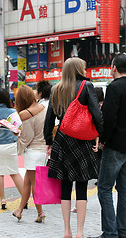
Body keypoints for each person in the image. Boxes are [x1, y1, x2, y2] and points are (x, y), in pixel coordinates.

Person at [44, 57, 103, 238]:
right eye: (84, 67)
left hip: (62, 139)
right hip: (82, 139)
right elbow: (96, 114)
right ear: (79, 69)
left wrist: (49, 141)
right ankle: (80, 232)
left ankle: (67, 230)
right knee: (82, 185)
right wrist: (100, 137)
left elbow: (49, 119)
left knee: (65, 185)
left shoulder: (56, 89)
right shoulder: (86, 86)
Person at [91, 54, 126, 238]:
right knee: (124, 190)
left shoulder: (114, 87)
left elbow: (109, 117)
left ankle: (110, 232)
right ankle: (122, 230)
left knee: (104, 188)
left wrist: (102, 139)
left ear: (113, 68)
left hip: (114, 145)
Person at [12, 85, 47, 223]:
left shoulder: (25, 114)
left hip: (33, 151)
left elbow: (27, 138)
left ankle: (40, 212)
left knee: (34, 184)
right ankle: (19, 210)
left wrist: (16, 133)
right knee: (27, 181)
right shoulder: (43, 108)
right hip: (43, 151)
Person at [0, 88, 24, 210]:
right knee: (14, 172)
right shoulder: (13, 112)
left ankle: (3, 200)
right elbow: (18, 128)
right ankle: (25, 199)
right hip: (11, 145)